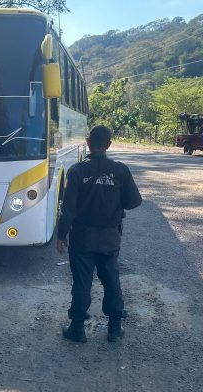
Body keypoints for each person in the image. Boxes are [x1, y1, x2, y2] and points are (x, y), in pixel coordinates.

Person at [56, 125, 142, 343]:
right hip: (110, 237)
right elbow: (134, 202)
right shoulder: (120, 171)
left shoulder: (77, 171)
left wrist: (61, 235)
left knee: (82, 282)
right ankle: (114, 328)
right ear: (109, 145)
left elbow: (68, 209)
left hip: (82, 237)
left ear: (87, 142)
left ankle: (77, 329)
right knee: (111, 280)